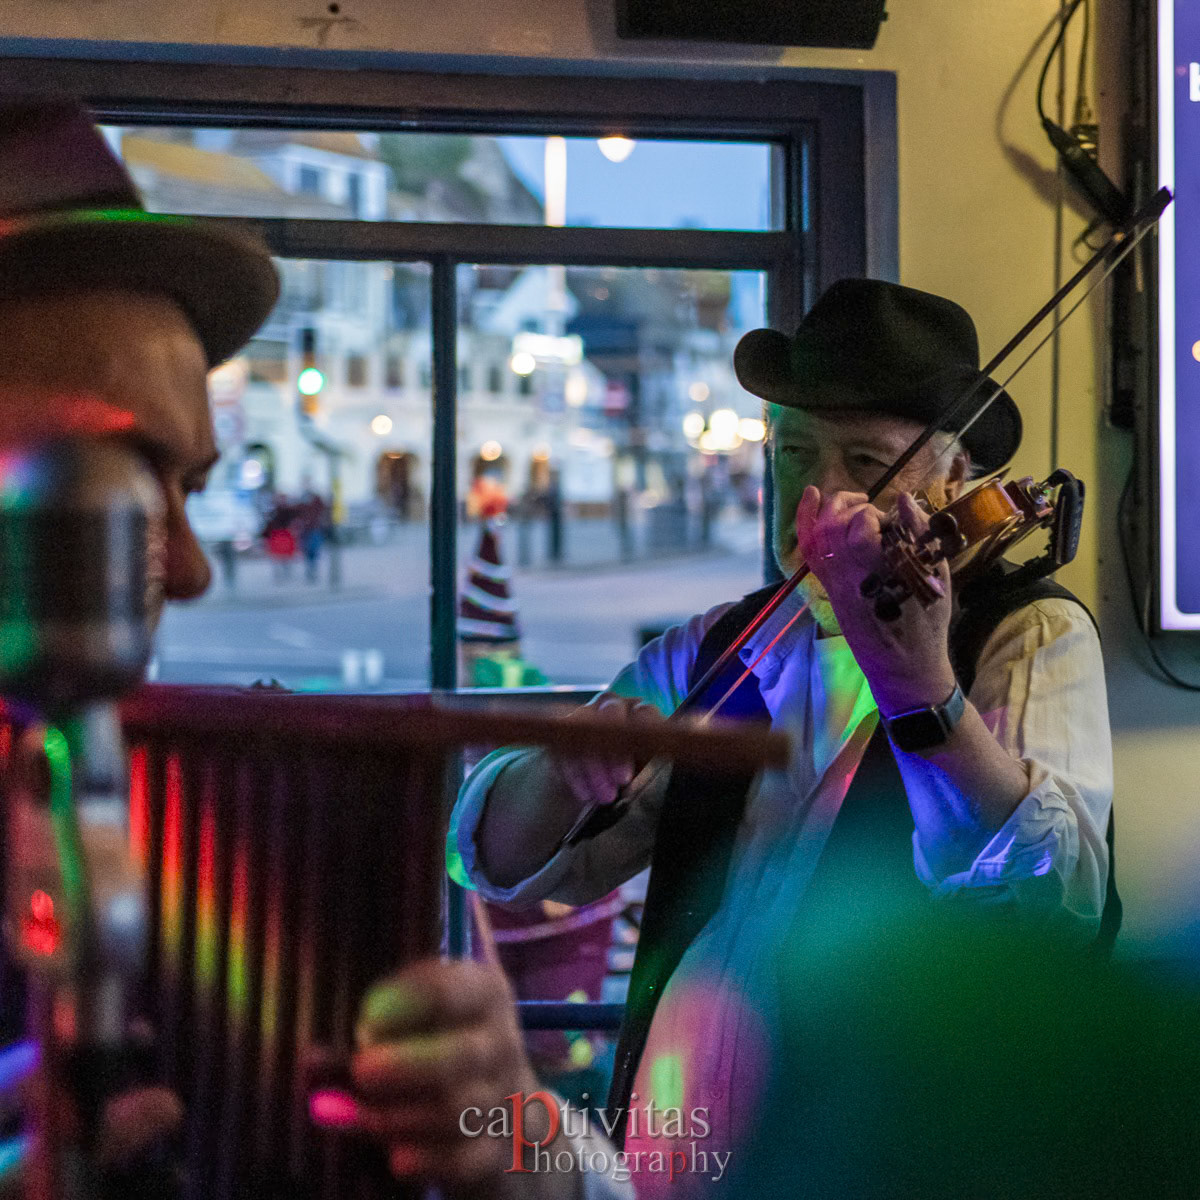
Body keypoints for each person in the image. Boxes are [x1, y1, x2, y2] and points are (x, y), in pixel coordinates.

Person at [0, 99, 598, 1200]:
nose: (190, 567)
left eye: (191, 488)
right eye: (115, 487)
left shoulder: (244, 824)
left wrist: (524, 1152)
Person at [451, 280, 1115, 1191]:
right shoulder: (719, 644)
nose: (822, 492)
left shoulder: (1026, 634)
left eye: (867, 459)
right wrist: (566, 771)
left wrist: (919, 690)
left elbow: (1059, 903)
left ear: (954, 480)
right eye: (795, 453)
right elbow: (492, 858)